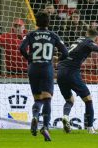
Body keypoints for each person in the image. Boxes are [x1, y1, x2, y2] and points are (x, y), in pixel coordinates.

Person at [57, 28, 98, 134]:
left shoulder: (79, 40)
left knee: (69, 100)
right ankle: (90, 128)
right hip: (72, 72)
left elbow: (65, 52)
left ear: (86, 33)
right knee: (88, 100)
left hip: (60, 72)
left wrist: (57, 59)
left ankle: (65, 116)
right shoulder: (88, 42)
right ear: (95, 37)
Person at [19, 11, 68, 141]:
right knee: (47, 99)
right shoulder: (53, 35)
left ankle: (35, 116)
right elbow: (65, 52)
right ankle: (45, 127)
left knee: (37, 99)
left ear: (36, 22)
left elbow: (21, 49)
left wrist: (29, 59)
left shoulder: (31, 34)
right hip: (47, 68)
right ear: (48, 22)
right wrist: (57, 60)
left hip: (33, 68)